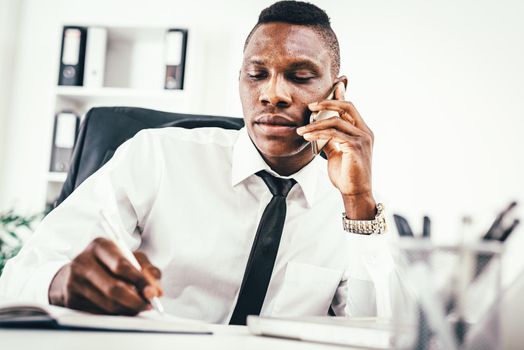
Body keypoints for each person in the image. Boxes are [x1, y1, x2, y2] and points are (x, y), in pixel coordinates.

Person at [0, 1, 396, 324]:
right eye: (256, 74)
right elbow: (17, 279)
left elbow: (382, 331)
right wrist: (62, 281)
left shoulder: (352, 207)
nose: (272, 94)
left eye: (300, 76)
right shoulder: (156, 156)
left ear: (338, 90)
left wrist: (358, 201)